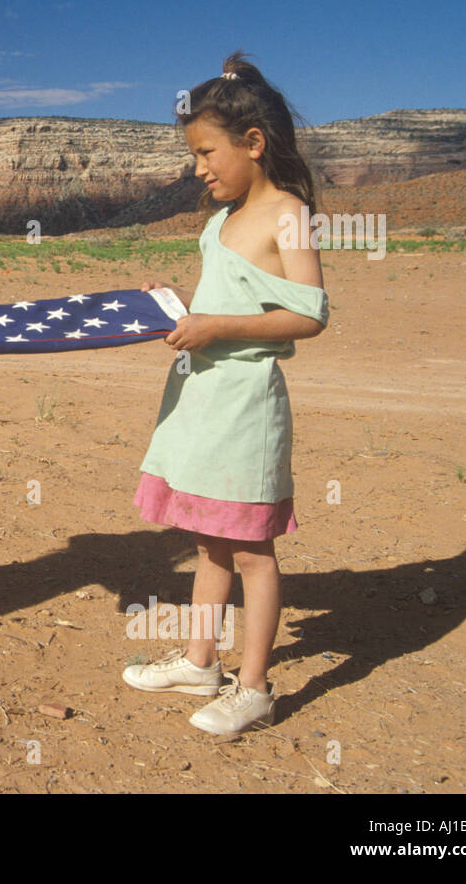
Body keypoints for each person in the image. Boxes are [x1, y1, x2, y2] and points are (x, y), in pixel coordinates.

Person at [123, 51, 330, 735]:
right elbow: (220, 298)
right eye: (194, 155)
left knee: (250, 550)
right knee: (210, 542)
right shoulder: (219, 221)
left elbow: (310, 313)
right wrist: (178, 311)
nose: (199, 168)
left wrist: (217, 326)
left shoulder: (288, 213)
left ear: (254, 143)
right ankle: (199, 660)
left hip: (247, 408)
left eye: (207, 152)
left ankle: (255, 687)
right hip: (202, 401)